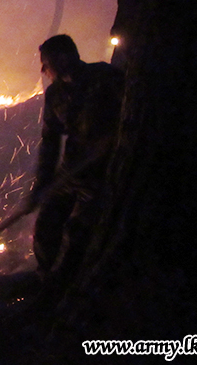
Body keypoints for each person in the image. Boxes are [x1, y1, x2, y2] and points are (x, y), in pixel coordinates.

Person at [25, 34, 124, 282]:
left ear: (62, 57)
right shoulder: (55, 95)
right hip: (71, 173)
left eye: (45, 62)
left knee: (77, 233)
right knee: (46, 226)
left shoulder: (105, 77)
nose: (43, 69)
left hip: (102, 174)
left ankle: (65, 286)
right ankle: (45, 277)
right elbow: (50, 142)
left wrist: (111, 141)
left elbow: (132, 114)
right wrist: (42, 187)